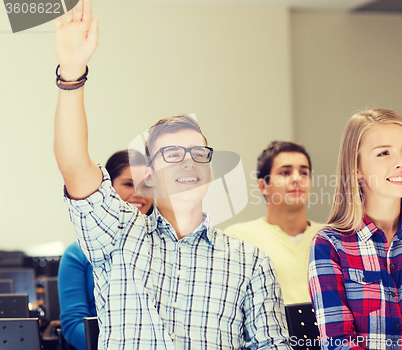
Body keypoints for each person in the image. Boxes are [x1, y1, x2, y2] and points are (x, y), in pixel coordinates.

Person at [54, 1, 291, 349]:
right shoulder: (120, 236)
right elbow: (75, 166)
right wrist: (71, 74)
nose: (188, 163)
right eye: (172, 155)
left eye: (198, 154)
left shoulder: (250, 261)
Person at [308, 109, 402, 350]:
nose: (401, 162)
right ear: (356, 168)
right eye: (384, 153)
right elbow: (338, 340)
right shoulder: (328, 245)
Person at [58, 150, 153, 350]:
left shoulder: (167, 244)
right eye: (128, 184)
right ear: (108, 188)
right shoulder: (77, 253)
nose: (138, 193)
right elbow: (73, 323)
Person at [225, 141, 321, 305]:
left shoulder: (332, 236)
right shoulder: (237, 239)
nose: (297, 179)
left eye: (304, 173)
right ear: (263, 186)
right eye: (285, 172)